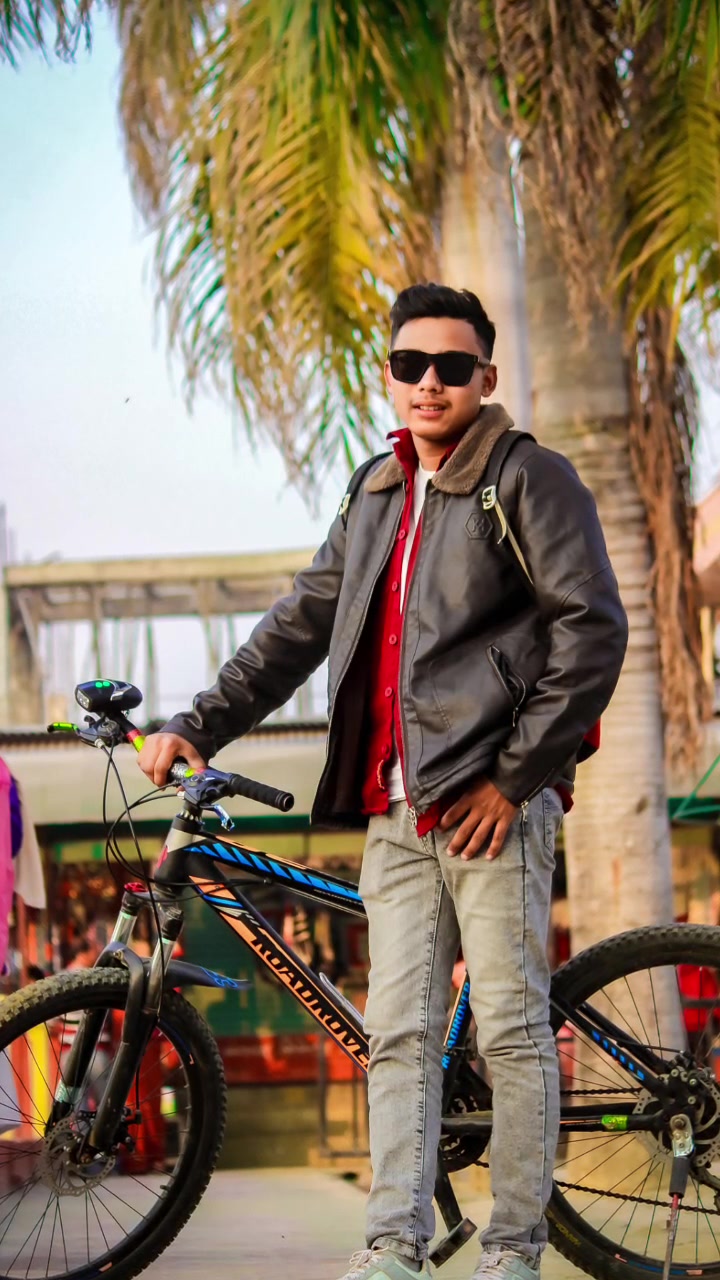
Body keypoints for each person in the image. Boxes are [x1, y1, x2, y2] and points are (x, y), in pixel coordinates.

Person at [138, 284, 628, 1280]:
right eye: (411, 365)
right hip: (396, 811)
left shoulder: (528, 477)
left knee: (511, 1030)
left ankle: (514, 1249)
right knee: (399, 1034)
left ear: (486, 377)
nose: (430, 382)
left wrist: (513, 778)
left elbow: (593, 631)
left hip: (492, 806)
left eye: (452, 366)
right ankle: (393, 1245)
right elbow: (300, 623)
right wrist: (201, 720)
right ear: (389, 377)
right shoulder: (375, 493)